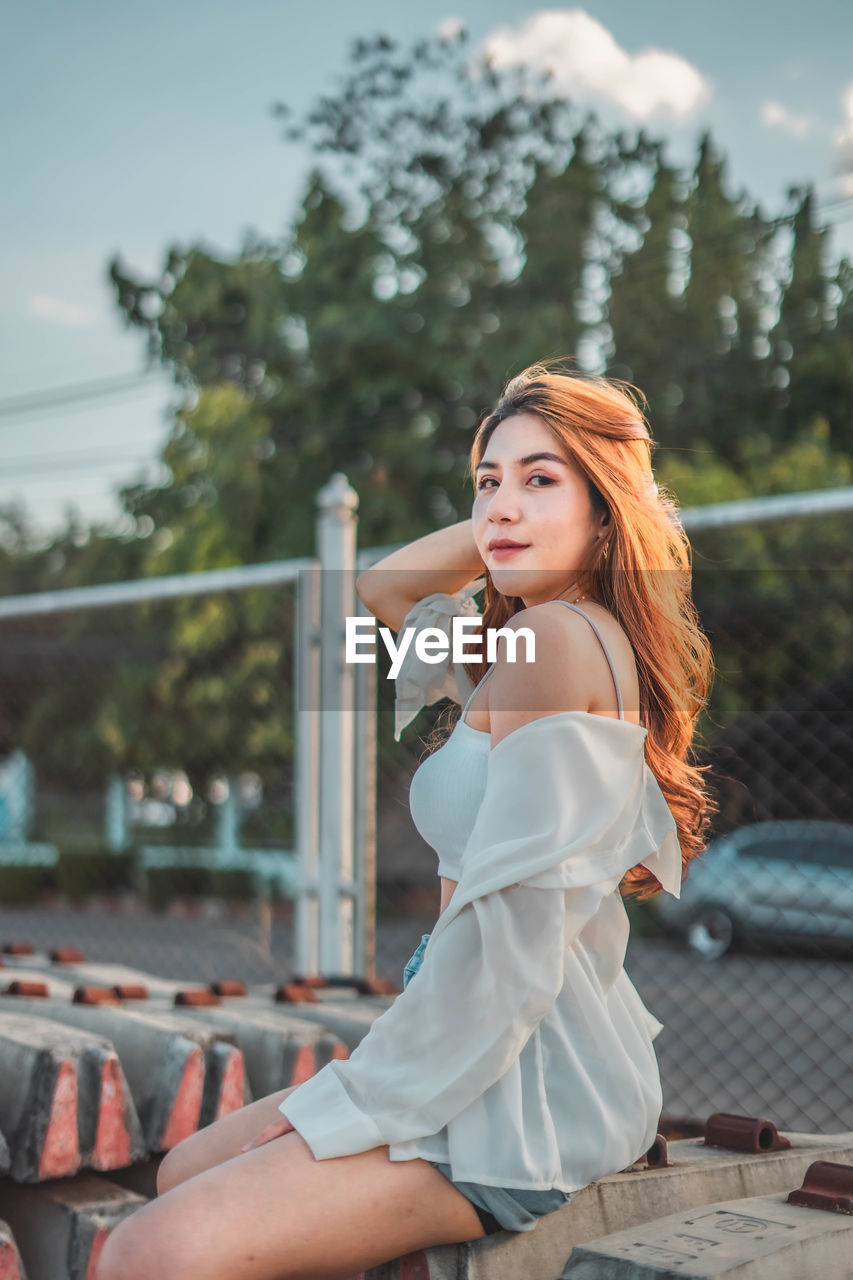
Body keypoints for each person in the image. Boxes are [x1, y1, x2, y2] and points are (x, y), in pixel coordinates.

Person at [97, 362, 716, 1280]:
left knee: (148, 1253)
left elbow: (512, 957)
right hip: (477, 1044)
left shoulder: (551, 644)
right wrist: (509, 519)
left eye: (541, 479)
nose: (501, 506)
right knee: (182, 1170)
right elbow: (386, 594)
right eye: (487, 480)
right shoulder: (528, 643)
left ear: (605, 510)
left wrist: (369, 1096)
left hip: (521, 1092)